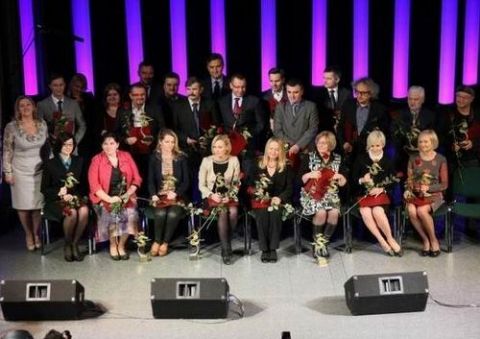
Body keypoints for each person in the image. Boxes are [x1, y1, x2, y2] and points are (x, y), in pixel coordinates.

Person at [3, 96, 48, 251]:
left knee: (36, 206)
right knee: (23, 206)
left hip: (40, 170)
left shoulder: (42, 124)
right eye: (22, 105)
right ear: (18, 109)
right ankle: (28, 234)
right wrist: (7, 172)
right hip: (20, 170)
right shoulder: (11, 127)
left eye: (28, 104)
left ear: (34, 107)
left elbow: (47, 148)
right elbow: (7, 151)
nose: (25, 107)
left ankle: (36, 234)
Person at [88, 132, 142, 260]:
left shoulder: (126, 156)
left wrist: (128, 194)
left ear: (117, 144)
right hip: (104, 197)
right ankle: (113, 245)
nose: (108, 146)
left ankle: (121, 245)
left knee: (131, 214)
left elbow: (137, 179)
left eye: (112, 143)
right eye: (105, 143)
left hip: (125, 196)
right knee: (112, 215)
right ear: (101, 145)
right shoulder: (96, 160)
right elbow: (94, 186)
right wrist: (110, 199)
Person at [352, 131, 402, 256]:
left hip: (381, 196)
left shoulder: (388, 161)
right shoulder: (361, 158)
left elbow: (394, 180)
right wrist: (362, 180)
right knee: (365, 211)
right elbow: (353, 178)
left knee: (378, 211)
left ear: (383, 145)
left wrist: (382, 189)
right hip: (363, 194)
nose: (375, 148)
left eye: (378, 146)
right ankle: (382, 242)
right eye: (372, 146)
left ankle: (390, 238)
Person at [41, 134, 88, 261]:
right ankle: (67, 244)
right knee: (71, 212)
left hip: (75, 197)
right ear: (59, 145)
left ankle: (75, 243)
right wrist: (59, 192)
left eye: (71, 144)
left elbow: (84, 185)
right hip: (56, 200)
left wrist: (74, 196)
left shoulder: (79, 161)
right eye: (65, 144)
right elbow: (44, 189)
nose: (68, 147)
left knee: (84, 210)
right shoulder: (50, 163)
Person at [300, 131, 347, 258]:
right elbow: (300, 179)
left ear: (330, 145)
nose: (320, 145)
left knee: (333, 213)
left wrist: (340, 177)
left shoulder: (338, 158)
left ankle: (323, 243)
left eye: (324, 143)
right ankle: (316, 245)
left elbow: (343, 183)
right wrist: (310, 174)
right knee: (321, 212)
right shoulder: (309, 157)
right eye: (319, 143)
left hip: (331, 194)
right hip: (312, 193)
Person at [198, 135, 241, 264]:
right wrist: (212, 195)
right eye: (214, 147)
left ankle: (226, 240)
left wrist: (230, 195)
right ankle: (226, 249)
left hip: (228, 196)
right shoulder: (206, 161)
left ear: (227, 147)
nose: (217, 150)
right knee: (222, 212)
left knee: (233, 212)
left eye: (220, 147)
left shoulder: (234, 160)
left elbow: (236, 183)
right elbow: (201, 185)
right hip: (212, 197)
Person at [405, 130, 448, 257]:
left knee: (422, 211)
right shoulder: (413, 158)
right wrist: (412, 188)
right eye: (420, 142)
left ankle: (433, 240)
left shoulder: (441, 159)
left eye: (426, 142)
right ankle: (425, 240)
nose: (423, 144)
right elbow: (409, 180)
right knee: (411, 210)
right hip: (415, 193)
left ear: (433, 142)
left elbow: (444, 184)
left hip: (434, 194)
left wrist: (428, 188)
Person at [249, 137, 293, 263]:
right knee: (262, 214)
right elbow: (250, 184)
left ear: (281, 152)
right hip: (261, 200)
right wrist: (258, 193)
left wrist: (280, 198)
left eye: (277, 149)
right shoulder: (257, 163)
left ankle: (273, 248)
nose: (273, 152)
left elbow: (289, 188)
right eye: (271, 148)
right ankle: (264, 249)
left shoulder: (286, 166)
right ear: (267, 149)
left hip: (279, 200)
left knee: (275, 213)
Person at [148, 130, 190, 256]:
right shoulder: (154, 157)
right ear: (160, 142)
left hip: (177, 196)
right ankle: (156, 241)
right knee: (160, 213)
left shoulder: (181, 157)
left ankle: (165, 243)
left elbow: (186, 181)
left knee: (172, 214)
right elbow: (150, 180)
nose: (170, 145)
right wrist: (153, 194)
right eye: (167, 142)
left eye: (173, 142)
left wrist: (176, 193)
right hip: (159, 195)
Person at [338, 77, 388, 165]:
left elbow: (384, 132)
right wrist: (344, 143)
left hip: (370, 153)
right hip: (350, 151)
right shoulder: (348, 105)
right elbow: (340, 127)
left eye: (363, 93)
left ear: (370, 93)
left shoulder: (380, 109)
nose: (359, 95)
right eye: (357, 92)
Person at [391, 86, 440, 175]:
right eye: (410, 99)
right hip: (404, 158)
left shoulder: (431, 116)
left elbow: (435, 138)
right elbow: (394, 136)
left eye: (416, 99)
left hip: (425, 158)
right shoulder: (399, 115)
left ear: (422, 100)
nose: (412, 102)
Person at [273, 78, 319, 169]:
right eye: (289, 92)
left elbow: (313, 129)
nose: (292, 96)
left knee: (311, 178)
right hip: (287, 150)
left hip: (308, 150)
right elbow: (277, 131)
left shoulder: (311, 106)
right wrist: (292, 145)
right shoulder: (280, 107)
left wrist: (299, 145)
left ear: (302, 92)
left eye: (295, 92)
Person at [37, 73, 86, 147]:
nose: (59, 88)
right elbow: (38, 127)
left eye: (61, 85)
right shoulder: (42, 105)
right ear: (50, 86)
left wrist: (74, 141)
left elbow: (82, 125)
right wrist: (48, 140)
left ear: (65, 85)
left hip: (71, 149)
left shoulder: (73, 104)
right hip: (52, 148)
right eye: (55, 85)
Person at [448, 85, 480, 168]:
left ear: (472, 99)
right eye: (458, 96)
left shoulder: (477, 115)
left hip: (475, 160)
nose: (461, 99)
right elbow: (440, 137)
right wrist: (451, 146)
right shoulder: (448, 115)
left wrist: (473, 143)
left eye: (465, 97)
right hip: (454, 162)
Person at [314, 66, 352, 133]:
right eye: (324, 78)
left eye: (328, 78)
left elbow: (349, 111)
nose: (325, 81)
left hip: (342, 129)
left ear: (337, 80)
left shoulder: (346, 93)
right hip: (324, 129)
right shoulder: (317, 94)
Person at [67, 73, 96, 159]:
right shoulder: (66, 99)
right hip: (71, 136)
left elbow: (92, 118)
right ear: (71, 85)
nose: (79, 89)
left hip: (88, 138)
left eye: (82, 87)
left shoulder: (89, 98)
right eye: (77, 86)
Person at [261, 67, 288, 135]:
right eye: (271, 81)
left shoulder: (290, 95)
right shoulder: (263, 97)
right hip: (270, 134)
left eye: (277, 81)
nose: (274, 84)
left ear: (283, 80)